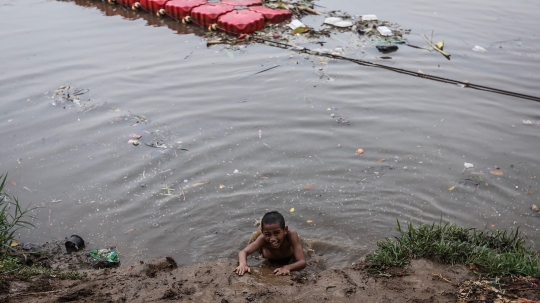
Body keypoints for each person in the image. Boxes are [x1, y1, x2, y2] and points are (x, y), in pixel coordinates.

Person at [235, 211, 306, 276]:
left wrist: (288, 267)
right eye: (268, 234)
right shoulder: (262, 239)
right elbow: (243, 252)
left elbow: (302, 262)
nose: (272, 239)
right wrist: (243, 264)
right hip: (271, 259)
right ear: (262, 233)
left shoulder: (291, 235)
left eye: (277, 233)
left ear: (285, 230)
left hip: (289, 257)